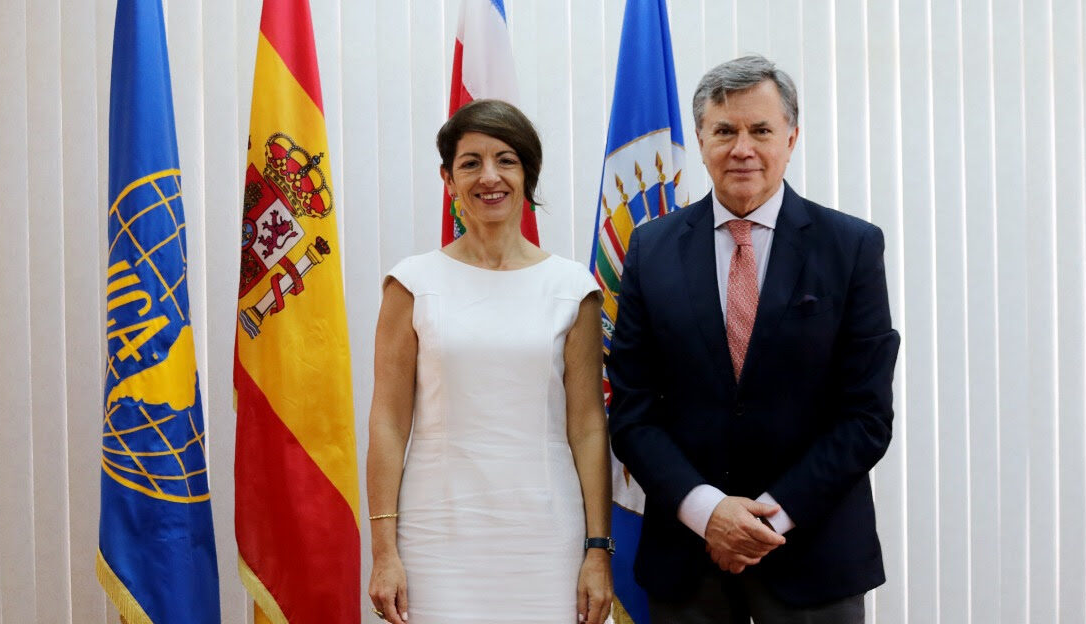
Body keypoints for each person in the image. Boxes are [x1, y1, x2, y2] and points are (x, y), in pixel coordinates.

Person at [607, 55, 900, 623]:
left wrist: (768, 518)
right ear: (700, 139)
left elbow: (866, 415)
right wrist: (708, 511)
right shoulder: (649, 251)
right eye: (725, 131)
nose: (742, 148)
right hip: (687, 564)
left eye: (760, 130)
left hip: (814, 558)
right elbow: (633, 414)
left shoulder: (852, 248)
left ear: (791, 137)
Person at [366, 98, 614, 624]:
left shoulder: (572, 289)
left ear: (527, 174)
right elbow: (388, 423)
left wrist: (597, 549)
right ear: (448, 179)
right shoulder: (411, 283)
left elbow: (589, 427)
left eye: (506, 159)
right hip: (436, 538)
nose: (489, 176)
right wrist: (384, 552)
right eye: (470, 162)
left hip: (549, 539)